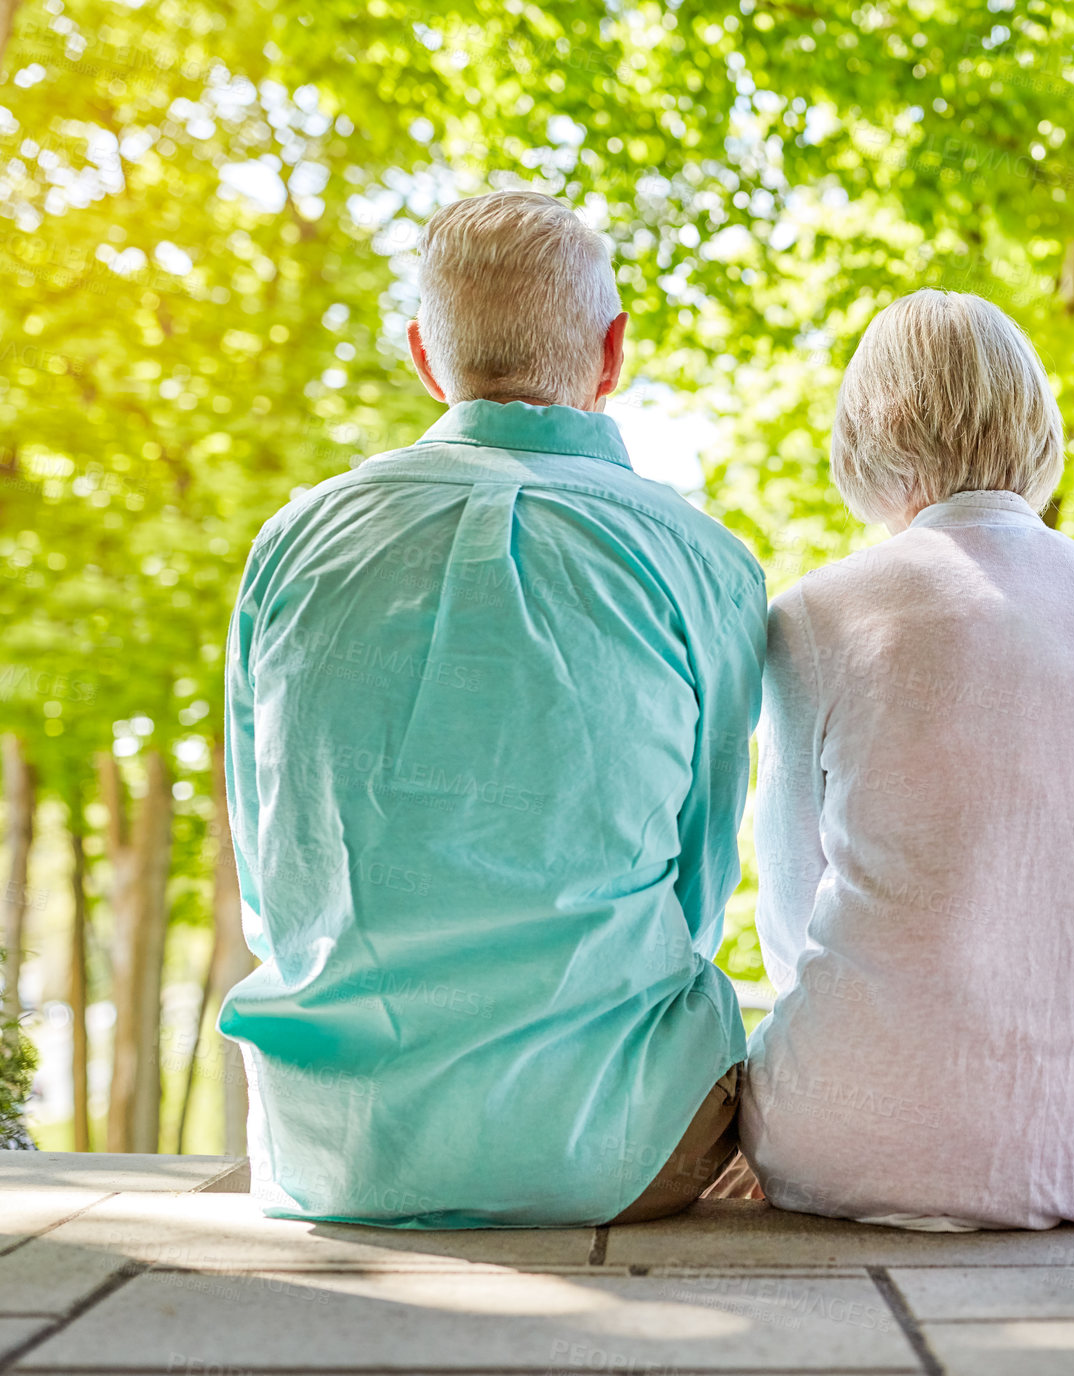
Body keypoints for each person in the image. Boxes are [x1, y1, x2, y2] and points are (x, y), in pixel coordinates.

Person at [220, 190, 766, 1227]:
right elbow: (700, 886)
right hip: (619, 1153)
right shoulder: (704, 562)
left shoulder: (294, 543)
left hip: (330, 1157)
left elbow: (269, 859)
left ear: (427, 358)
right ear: (611, 354)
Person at [740, 289, 1074, 1231]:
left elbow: (790, 905)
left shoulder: (819, 615)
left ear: (870, 432)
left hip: (867, 1134)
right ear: (1037, 426)